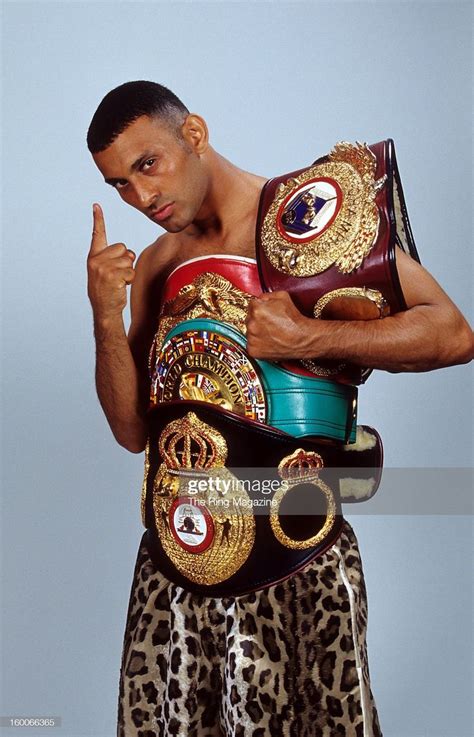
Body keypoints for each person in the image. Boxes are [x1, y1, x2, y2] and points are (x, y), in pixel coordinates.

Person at [86, 81, 473, 737]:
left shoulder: (304, 219)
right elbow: (130, 430)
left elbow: (452, 333)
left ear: (194, 134)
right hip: (177, 575)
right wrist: (103, 319)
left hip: (297, 567)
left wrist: (313, 337)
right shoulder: (154, 265)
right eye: (120, 183)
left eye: (147, 164)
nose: (141, 198)